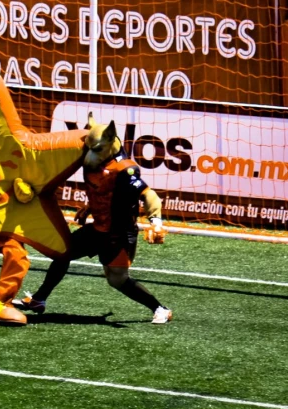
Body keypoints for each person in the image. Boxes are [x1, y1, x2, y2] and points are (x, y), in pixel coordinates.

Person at [13, 114, 173, 324]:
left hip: (119, 235)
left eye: (96, 149)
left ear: (110, 142)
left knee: (117, 279)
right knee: (63, 252)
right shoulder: (97, 162)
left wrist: (156, 222)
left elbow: (149, 195)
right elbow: (107, 191)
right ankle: (39, 299)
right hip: (97, 229)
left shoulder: (126, 169)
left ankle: (160, 308)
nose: (89, 156)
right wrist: (90, 207)